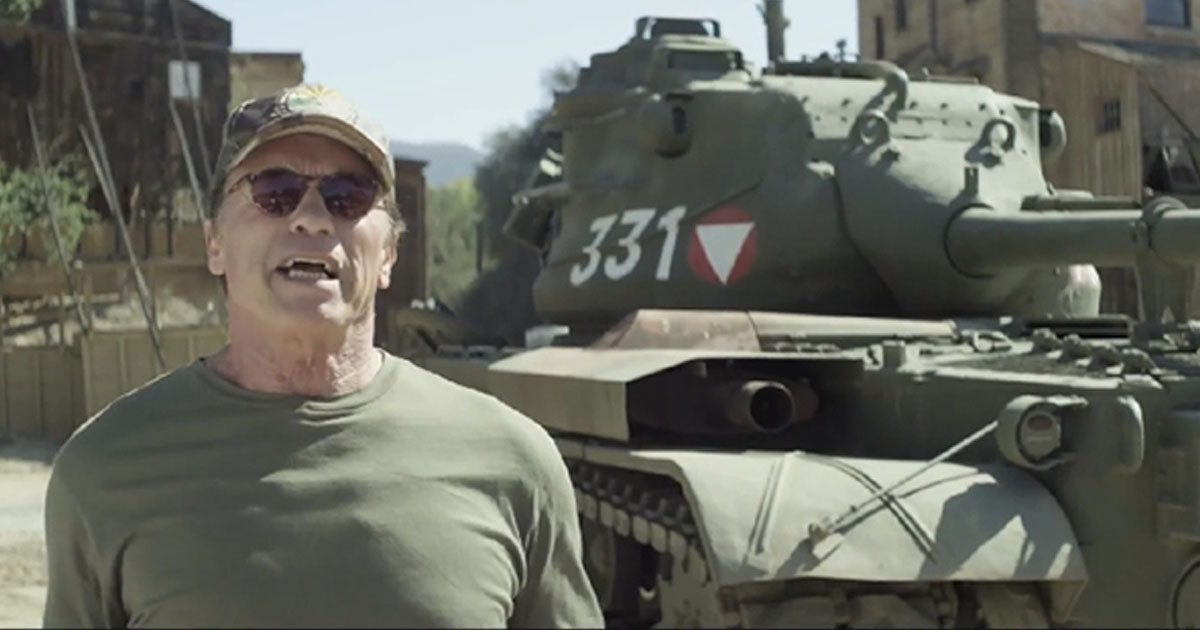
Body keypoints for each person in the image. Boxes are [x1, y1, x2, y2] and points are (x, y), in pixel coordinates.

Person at [42, 84, 603, 628]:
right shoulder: (104, 468)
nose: (311, 217)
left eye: (348, 196)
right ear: (215, 243)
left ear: (388, 254)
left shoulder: (513, 462)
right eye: (274, 190)